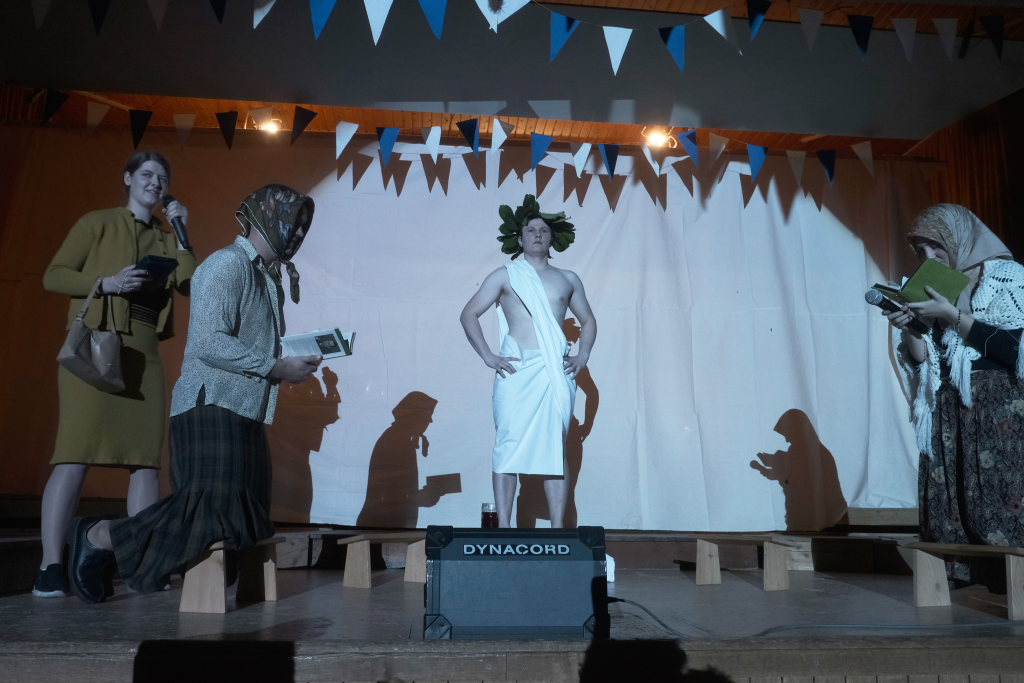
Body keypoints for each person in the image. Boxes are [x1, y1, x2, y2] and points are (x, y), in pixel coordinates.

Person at [64, 184, 323, 602]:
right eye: (293, 222)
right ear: (266, 215)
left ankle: (172, 573)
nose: (298, 233)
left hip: (245, 407)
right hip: (210, 403)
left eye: (304, 227)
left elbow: (245, 345)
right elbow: (208, 342)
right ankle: (100, 536)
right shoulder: (227, 265)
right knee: (207, 511)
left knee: (245, 516)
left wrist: (286, 363)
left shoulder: (268, 277)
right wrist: (277, 367)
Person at [34, 151, 196, 597]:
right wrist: (105, 283)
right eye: (146, 174)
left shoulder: (166, 236)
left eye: (162, 178)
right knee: (74, 454)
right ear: (128, 178)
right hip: (93, 349)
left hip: (143, 355)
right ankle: (50, 565)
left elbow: (189, 283)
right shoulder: (97, 222)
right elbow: (53, 275)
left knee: (145, 462)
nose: (155, 182)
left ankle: (140, 562)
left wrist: (185, 234)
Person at [883, 203, 1024, 586]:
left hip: (999, 408)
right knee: (952, 498)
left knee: (1002, 494)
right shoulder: (933, 284)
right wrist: (913, 328)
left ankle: (1013, 580)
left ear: (959, 239)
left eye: (937, 247)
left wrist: (951, 315)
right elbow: (924, 361)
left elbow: (1014, 349)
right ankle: (961, 574)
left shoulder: (1008, 278)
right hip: (947, 406)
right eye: (921, 251)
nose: (929, 257)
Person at [460, 194, 596, 528]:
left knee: (554, 449)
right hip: (517, 371)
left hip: (553, 373)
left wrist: (582, 356)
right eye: (530, 230)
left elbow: (588, 320)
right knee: (507, 446)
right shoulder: (505, 275)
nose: (537, 235)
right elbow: (469, 314)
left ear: (552, 239)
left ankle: (558, 530)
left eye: (543, 231)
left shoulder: (568, 278)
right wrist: (489, 356)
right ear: (519, 239)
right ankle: (504, 528)